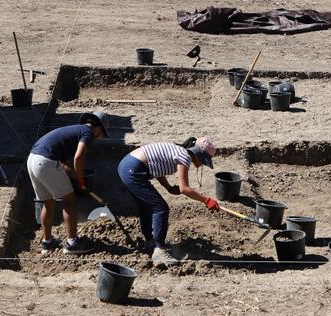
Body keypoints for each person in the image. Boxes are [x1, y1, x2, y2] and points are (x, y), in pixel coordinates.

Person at [117, 136, 219, 266]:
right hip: (134, 170)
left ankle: (150, 241)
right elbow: (184, 189)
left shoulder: (178, 151)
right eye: (204, 160)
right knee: (161, 208)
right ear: (199, 154)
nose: (202, 164)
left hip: (126, 166)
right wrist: (206, 200)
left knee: (146, 206)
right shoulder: (185, 157)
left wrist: (168, 187)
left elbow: (157, 169)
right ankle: (159, 250)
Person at [27, 111, 108, 255]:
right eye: (102, 134)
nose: (99, 138)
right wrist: (81, 179)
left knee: (48, 203)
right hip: (46, 162)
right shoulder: (87, 133)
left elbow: (65, 166)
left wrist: (76, 179)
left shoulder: (73, 131)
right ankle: (72, 243)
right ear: (98, 127)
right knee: (69, 201)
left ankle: (48, 242)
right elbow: (78, 158)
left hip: (33, 160)